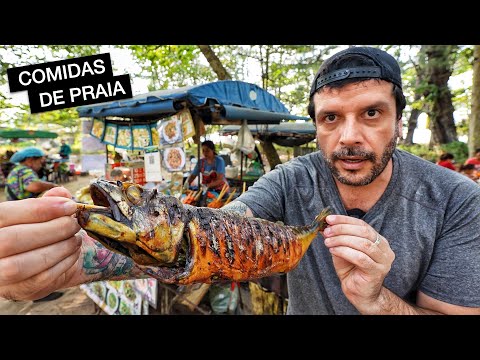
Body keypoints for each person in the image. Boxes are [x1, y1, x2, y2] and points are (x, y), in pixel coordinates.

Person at [0, 47, 479, 315]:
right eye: (330, 119)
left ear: (400, 120)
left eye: (371, 113)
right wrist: (78, 263)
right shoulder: (293, 180)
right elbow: (217, 230)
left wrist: (377, 301)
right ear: (315, 124)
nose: (348, 138)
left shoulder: (457, 201)